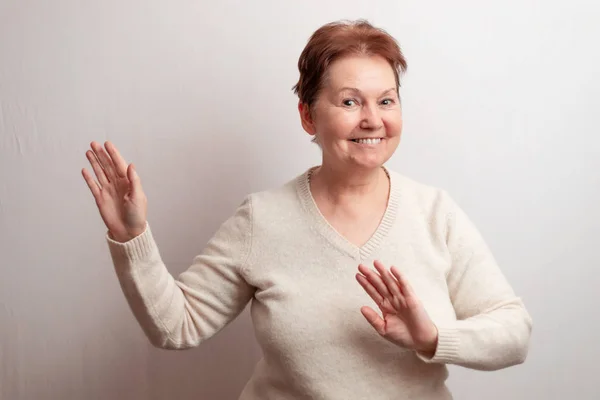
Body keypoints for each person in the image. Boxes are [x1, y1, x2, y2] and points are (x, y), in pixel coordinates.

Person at [82, 19, 532, 400]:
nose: (373, 119)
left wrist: (432, 337)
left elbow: (514, 333)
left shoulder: (435, 212)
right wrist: (131, 237)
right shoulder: (262, 219)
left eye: (387, 100)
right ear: (308, 116)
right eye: (350, 101)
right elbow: (176, 327)